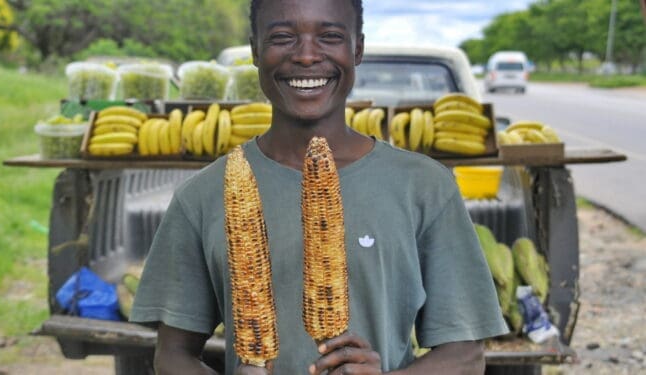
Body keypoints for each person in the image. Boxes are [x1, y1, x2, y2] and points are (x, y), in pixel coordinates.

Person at [130, 0, 508, 373]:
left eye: (329, 36)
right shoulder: (203, 195)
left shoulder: (425, 186)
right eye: (282, 37)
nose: (307, 56)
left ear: (357, 48)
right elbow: (173, 355)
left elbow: (465, 356)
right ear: (255, 51)